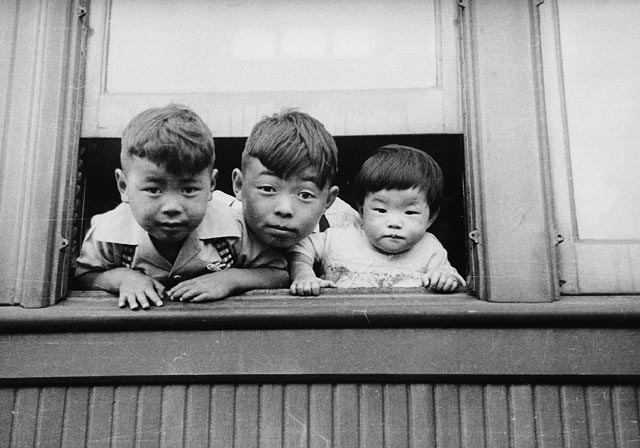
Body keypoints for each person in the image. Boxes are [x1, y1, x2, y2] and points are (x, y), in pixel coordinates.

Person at [74, 104, 288, 310]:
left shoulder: (233, 229)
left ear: (211, 185)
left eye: (188, 190)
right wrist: (123, 279)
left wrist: (228, 280)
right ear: (123, 186)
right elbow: (83, 276)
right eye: (154, 190)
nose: (172, 207)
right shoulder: (108, 232)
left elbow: (278, 272)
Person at [288, 144, 466, 295]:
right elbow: (301, 248)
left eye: (410, 213)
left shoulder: (430, 250)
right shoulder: (340, 237)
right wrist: (304, 275)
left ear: (431, 217)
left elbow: (450, 277)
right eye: (381, 210)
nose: (394, 223)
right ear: (362, 210)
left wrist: (445, 278)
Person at [227, 109, 358, 251]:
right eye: (268, 189)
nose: (284, 209)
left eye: (305, 195)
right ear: (239, 185)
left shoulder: (346, 225)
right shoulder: (211, 226)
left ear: (328, 200)